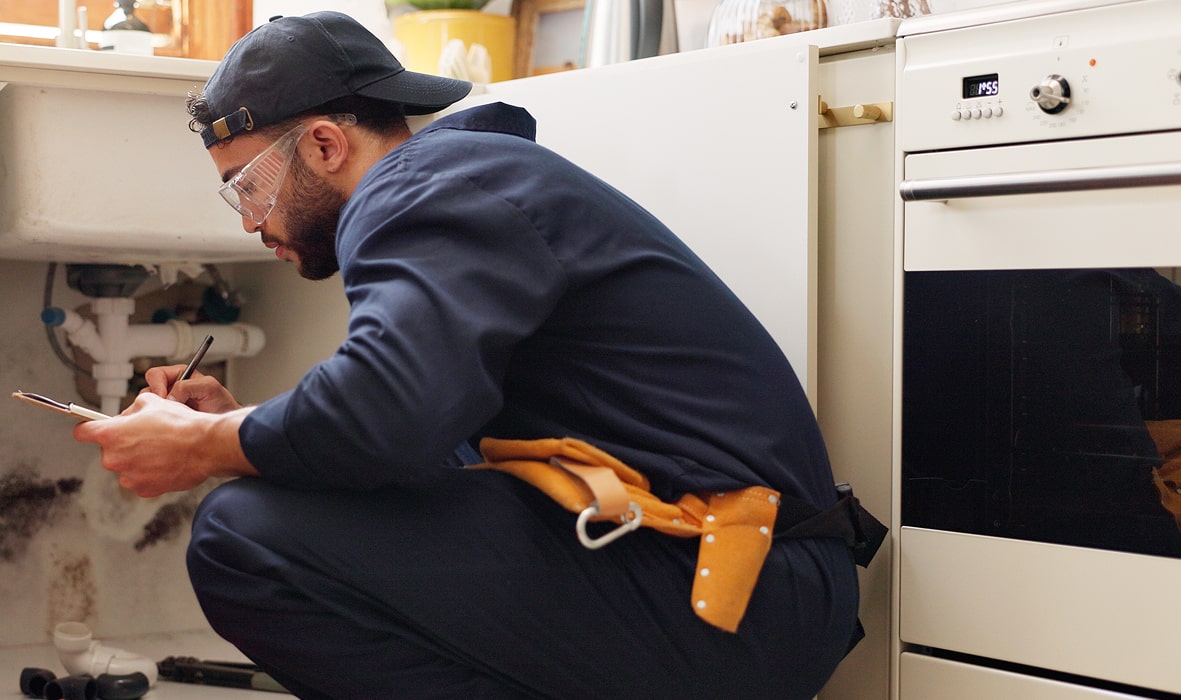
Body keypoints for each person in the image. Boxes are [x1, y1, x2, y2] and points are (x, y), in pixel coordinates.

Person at [74, 11, 868, 699]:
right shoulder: (459, 187)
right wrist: (242, 427)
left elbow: (385, 414)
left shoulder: (419, 190)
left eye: (247, 187)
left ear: (321, 144)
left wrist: (208, 445)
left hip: (732, 592)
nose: (249, 221)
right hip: (735, 583)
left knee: (241, 537)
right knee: (330, 497)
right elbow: (416, 434)